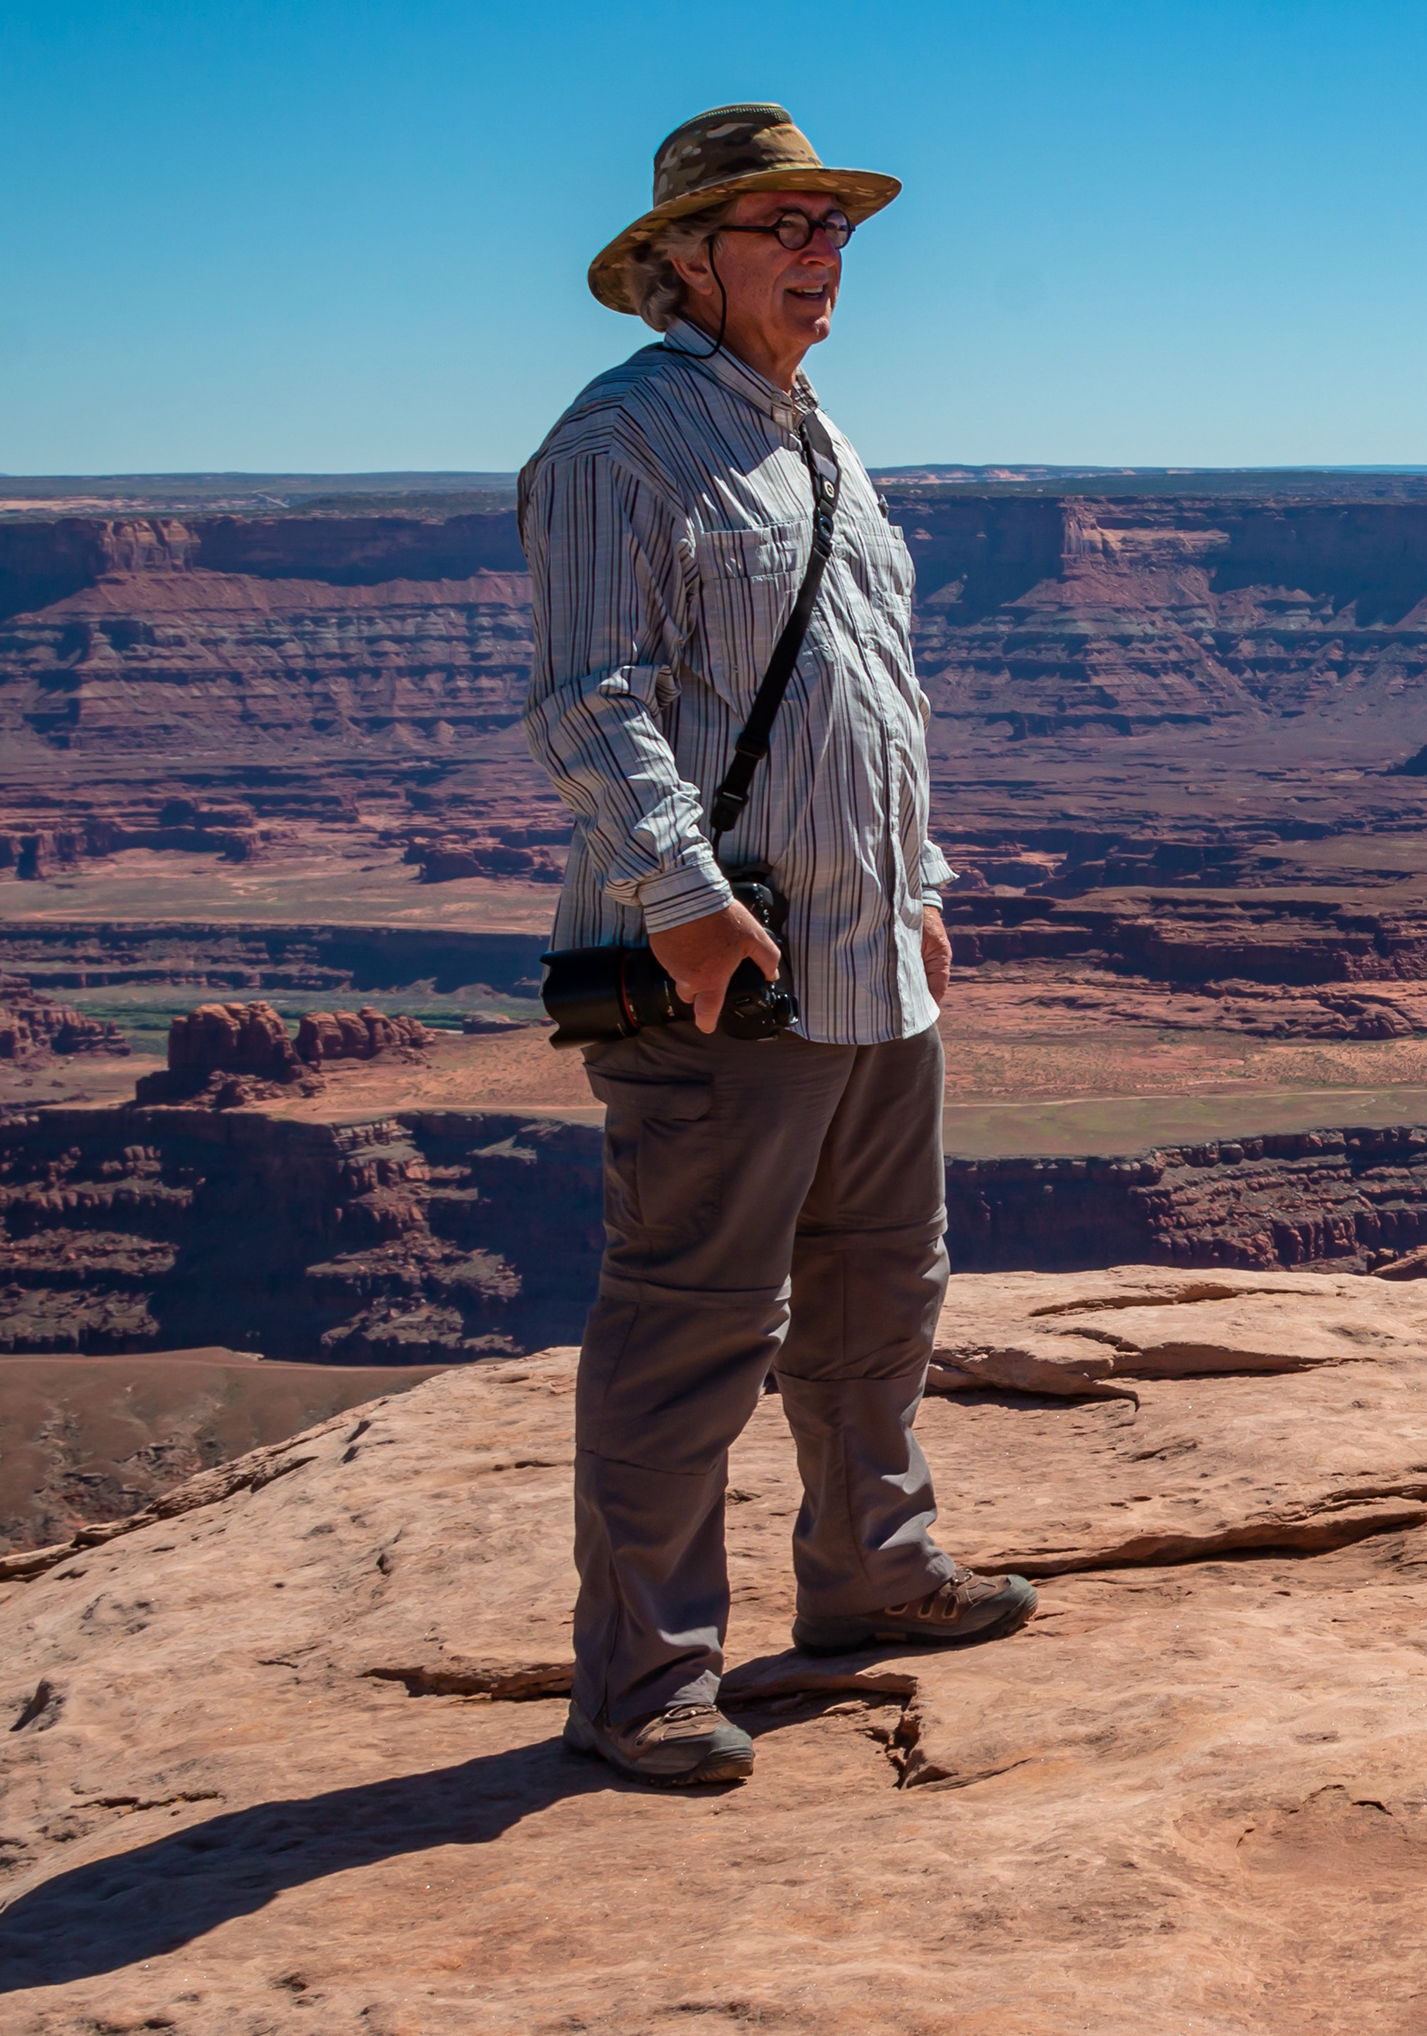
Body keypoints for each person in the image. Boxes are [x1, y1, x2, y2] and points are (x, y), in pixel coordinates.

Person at [520, 103, 1032, 1789]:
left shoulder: (823, 445)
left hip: (874, 957)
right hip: (724, 976)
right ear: (686, 262)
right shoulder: (624, 442)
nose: (822, 259)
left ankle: (872, 1575)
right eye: (783, 229)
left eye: (835, 230)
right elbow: (588, 700)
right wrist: (677, 893)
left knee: (887, 1286)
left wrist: (926, 882)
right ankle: (647, 1680)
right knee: (693, 1325)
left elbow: (875, 698)